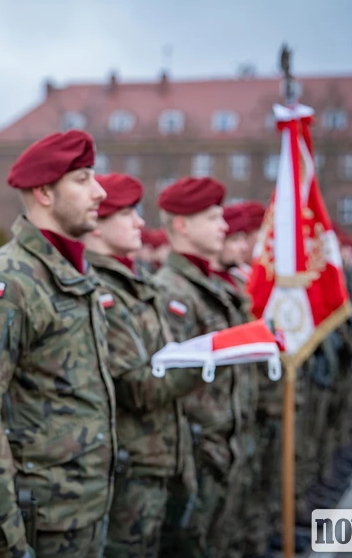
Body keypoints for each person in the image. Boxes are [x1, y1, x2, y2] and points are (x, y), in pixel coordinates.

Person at [0, 130, 116, 558]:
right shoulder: (4, 283)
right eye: (82, 180)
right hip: (39, 524)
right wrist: (5, 545)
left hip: (84, 510)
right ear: (44, 192)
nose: (100, 191)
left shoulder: (74, 274)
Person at [83, 174, 202, 558]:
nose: (139, 222)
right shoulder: (100, 289)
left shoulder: (135, 282)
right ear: (96, 224)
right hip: (131, 466)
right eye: (127, 213)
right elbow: (133, 385)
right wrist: (206, 362)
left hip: (159, 457)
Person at [152, 177, 254, 558]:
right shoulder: (173, 291)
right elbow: (170, 385)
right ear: (182, 225)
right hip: (196, 452)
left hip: (219, 442)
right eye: (213, 218)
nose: (225, 226)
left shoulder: (205, 285)